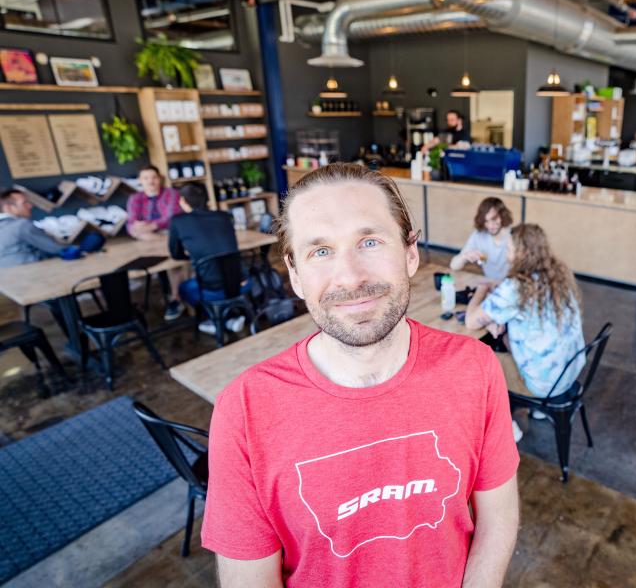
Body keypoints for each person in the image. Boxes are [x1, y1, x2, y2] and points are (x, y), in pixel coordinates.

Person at [202, 163, 520, 587]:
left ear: (410, 253)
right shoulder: (242, 410)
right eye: (320, 251)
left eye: (369, 241)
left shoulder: (476, 367)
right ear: (294, 275)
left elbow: (497, 518)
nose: (350, 277)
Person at [465, 223, 585, 432]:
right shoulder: (558, 275)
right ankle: (537, 410)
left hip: (544, 384)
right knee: (501, 336)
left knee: (477, 367)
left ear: (523, 253)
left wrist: (482, 289)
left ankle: (506, 428)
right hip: (569, 371)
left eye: (509, 248)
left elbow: (471, 321)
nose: (506, 252)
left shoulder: (516, 288)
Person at [167, 183, 246, 335]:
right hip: (240, 282)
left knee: (184, 288)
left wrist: (193, 256)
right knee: (217, 278)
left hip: (211, 289)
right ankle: (230, 317)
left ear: (183, 201)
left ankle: (215, 319)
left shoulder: (178, 221)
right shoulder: (224, 216)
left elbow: (175, 254)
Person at [126, 165, 184, 321]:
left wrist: (151, 226)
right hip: (147, 237)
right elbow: (131, 223)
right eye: (146, 178)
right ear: (140, 181)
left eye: (153, 177)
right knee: (137, 235)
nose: (150, 181)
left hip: (167, 232)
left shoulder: (171, 194)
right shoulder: (135, 198)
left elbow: (171, 217)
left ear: (159, 179)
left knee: (174, 260)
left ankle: (175, 299)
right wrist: (141, 229)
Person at [450, 197, 513, 283]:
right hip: (490, 283)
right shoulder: (478, 235)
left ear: (503, 216)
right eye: (486, 221)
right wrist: (464, 256)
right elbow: (454, 266)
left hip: (510, 285)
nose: (490, 226)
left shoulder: (513, 235)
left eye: (494, 220)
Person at [0, 189, 66, 267]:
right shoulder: (21, 225)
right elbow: (56, 249)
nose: (30, 206)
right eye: (24, 203)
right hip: (31, 273)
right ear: (8, 207)